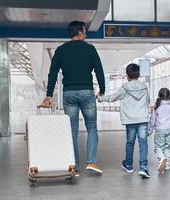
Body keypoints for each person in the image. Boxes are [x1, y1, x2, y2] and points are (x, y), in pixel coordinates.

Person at [42, 21, 105, 175]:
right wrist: (102, 89)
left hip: (69, 93)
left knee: (72, 131)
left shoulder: (61, 50)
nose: (86, 34)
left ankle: (74, 167)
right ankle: (91, 162)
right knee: (91, 127)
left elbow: (52, 73)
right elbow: (99, 70)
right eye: (85, 31)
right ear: (79, 32)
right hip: (86, 92)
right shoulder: (90, 49)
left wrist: (49, 94)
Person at [98, 63, 150, 178]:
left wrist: (100, 98)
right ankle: (144, 167)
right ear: (139, 74)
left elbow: (113, 98)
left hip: (131, 120)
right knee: (143, 143)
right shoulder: (145, 87)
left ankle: (129, 165)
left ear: (127, 75)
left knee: (130, 142)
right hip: (142, 119)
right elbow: (148, 100)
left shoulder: (125, 87)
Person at [148, 88, 170, 173]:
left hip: (159, 130)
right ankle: (166, 164)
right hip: (169, 130)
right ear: (169, 96)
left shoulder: (157, 107)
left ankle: (162, 159)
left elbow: (152, 120)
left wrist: (150, 130)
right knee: (166, 147)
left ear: (159, 96)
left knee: (158, 147)